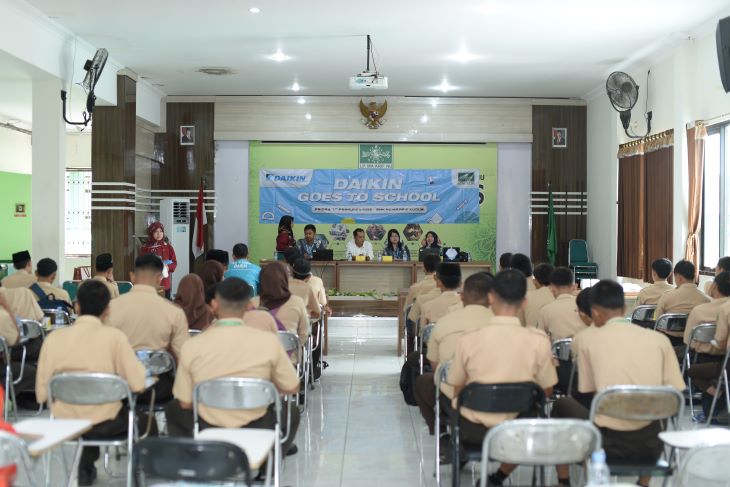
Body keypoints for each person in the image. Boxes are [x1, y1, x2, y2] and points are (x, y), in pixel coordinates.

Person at [552, 280, 685, 487]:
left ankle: (565, 480)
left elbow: (587, 391)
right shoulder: (659, 340)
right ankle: (644, 481)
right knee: (661, 400)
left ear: (594, 312)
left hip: (607, 442)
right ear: (624, 309)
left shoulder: (585, 339)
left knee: (562, 404)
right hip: (651, 444)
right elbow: (676, 393)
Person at [165, 277, 300, 458]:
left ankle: (198, 458)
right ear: (248, 306)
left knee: (173, 409)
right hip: (257, 424)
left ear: (213, 305)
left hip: (208, 424)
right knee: (292, 411)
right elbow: (292, 386)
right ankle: (265, 463)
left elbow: (185, 402)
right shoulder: (268, 342)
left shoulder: (193, 345)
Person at [447, 270, 557, 485]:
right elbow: (547, 392)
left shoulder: (469, 339)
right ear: (524, 303)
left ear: (490, 298)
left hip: (473, 431)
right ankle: (499, 476)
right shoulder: (538, 341)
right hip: (519, 432)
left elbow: (457, 389)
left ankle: (492, 475)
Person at [35, 280, 146, 485]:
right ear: (108, 310)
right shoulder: (115, 338)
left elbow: (42, 395)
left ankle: (85, 467)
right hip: (107, 424)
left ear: (77, 306)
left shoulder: (54, 339)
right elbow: (138, 384)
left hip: (64, 423)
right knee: (137, 417)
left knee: (86, 409)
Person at [413, 272, 494, 436]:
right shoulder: (505, 324)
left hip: (459, 407)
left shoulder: (444, 323)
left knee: (424, 381)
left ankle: (441, 433)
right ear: (493, 298)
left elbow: (437, 368)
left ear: (462, 297)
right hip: (503, 409)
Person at [106, 254, 189, 404]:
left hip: (120, 385)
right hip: (158, 388)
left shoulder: (111, 308)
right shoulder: (173, 311)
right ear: (159, 278)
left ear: (132, 276)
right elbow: (183, 356)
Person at [252, 261, 309, 346]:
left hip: (259, 357)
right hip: (288, 358)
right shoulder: (297, 302)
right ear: (286, 279)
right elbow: (304, 335)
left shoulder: (252, 303)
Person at [654, 260, 710, 345]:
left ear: (679, 278)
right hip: (695, 343)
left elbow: (657, 321)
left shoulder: (667, 296)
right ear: (694, 277)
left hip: (670, 341)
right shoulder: (706, 300)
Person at [537, 267, 587, 341]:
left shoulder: (545, 310)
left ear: (552, 288)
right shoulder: (584, 305)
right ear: (574, 287)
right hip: (583, 349)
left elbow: (539, 337)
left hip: (558, 350)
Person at [139, 221, 177, 299]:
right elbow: (140, 264)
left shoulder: (168, 247)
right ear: (151, 233)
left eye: (161, 231)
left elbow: (174, 262)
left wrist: (167, 267)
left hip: (165, 283)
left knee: (164, 307)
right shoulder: (145, 248)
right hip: (150, 283)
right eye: (156, 231)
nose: (159, 234)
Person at [420, 263, 462, 329]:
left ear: (438, 282)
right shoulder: (468, 305)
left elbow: (423, 336)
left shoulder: (427, 307)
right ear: (460, 283)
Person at [519, 263, 554, 328]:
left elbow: (520, 324)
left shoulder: (525, 297)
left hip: (530, 335)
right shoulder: (559, 296)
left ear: (535, 281)